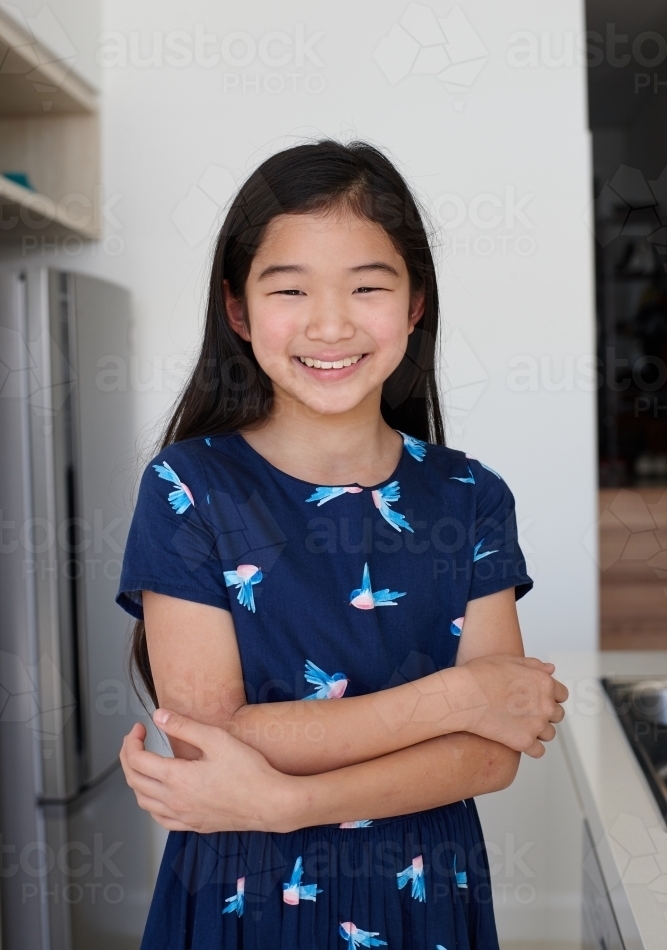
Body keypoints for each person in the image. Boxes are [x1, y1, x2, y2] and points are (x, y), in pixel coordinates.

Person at [117, 138, 567, 950]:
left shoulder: (468, 497)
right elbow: (208, 736)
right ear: (238, 310)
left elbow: (491, 758)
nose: (330, 323)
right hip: (243, 900)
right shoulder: (189, 489)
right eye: (289, 288)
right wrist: (456, 699)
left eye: (367, 286)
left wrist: (288, 800)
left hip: (425, 898)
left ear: (415, 303)